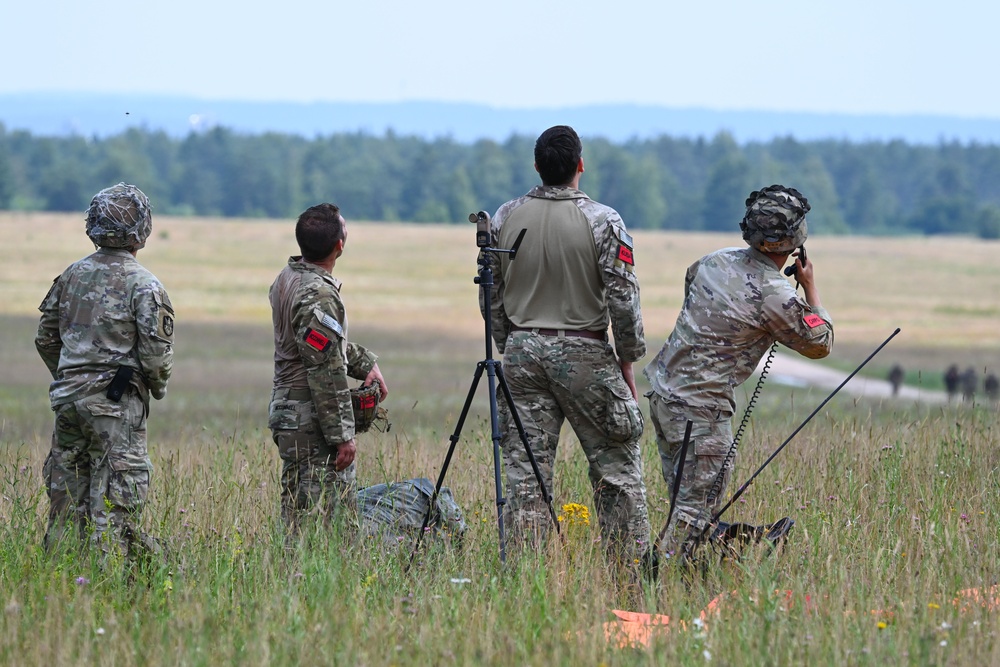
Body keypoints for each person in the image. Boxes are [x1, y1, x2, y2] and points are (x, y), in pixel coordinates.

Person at [481, 125, 651, 562]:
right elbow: (623, 296)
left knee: (526, 481)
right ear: (580, 165)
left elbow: (491, 294)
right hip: (585, 353)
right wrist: (627, 361)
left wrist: (509, 343)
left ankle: (527, 582)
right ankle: (630, 583)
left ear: (537, 167)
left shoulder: (504, 216)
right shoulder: (602, 221)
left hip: (521, 353)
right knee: (617, 471)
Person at [644, 184, 834, 562]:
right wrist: (810, 288)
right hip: (701, 413)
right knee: (692, 516)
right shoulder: (774, 293)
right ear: (795, 243)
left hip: (665, 397)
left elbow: (692, 289)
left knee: (688, 507)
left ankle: (697, 573)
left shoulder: (713, 260)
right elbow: (820, 342)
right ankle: (647, 586)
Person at [35, 183, 174, 560]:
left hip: (68, 403)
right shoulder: (145, 284)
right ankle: (104, 586)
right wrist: (152, 388)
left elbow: (46, 338)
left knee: (65, 506)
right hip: (116, 407)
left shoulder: (71, 275)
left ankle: (59, 586)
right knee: (113, 510)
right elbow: (157, 358)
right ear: (142, 230)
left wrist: (73, 377)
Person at [268, 203, 388, 536]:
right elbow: (324, 369)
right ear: (339, 245)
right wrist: (342, 436)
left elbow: (320, 345)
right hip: (310, 418)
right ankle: (312, 582)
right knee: (329, 526)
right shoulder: (318, 295)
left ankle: (291, 578)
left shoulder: (289, 277)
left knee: (298, 512)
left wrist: (367, 364)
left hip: (291, 409)